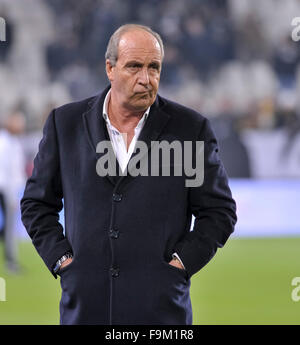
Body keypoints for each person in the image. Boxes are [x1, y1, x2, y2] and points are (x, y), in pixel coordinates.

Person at [20, 24, 237, 325]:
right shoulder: (64, 123)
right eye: (134, 66)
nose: (146, 79)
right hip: (84, 309)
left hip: (160, 313)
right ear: (109, 68)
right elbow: (36, 204)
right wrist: (63, 260)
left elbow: (219, 211)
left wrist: (181, 264)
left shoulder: (191, 130)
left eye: (154, 67)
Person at [0, 110, 26, 273]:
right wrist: (11, 196)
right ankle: (11, 261)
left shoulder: (13, 142)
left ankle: (11, 260)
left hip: (9, 188)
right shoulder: (4, 142)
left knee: (8, 228)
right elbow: (6, 171)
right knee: (9, 227)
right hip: (5, 189)